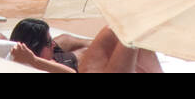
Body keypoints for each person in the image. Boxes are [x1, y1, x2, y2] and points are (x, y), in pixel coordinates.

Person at [8, 18, 161, 74]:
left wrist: (101, 43)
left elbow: (66, 39)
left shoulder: (54, 50)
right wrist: (33, 61)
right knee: (130, 38)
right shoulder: (34, 66)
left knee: (114, 30)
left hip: (89, 65)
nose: (53, 44)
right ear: (33, 49)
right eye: (48, 43)